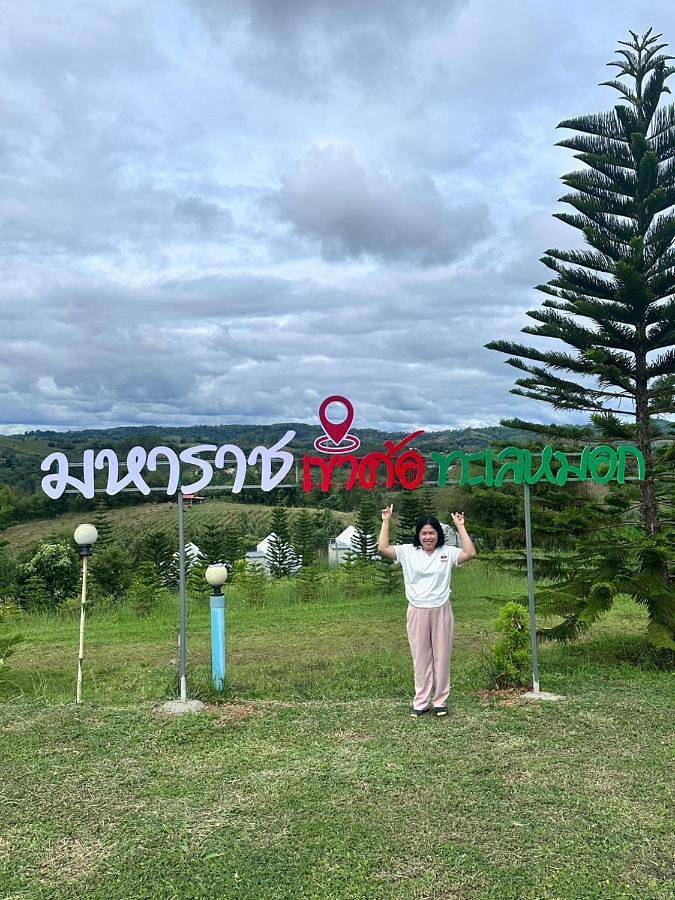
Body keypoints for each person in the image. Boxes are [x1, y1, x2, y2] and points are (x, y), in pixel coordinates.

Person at [378, 505, 476, 718]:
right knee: (420, 657)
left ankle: (440, 701)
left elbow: (470, 553)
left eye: (432, 533)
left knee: (442, 656)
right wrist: (386, 521)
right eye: (424, 533)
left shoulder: (446, 553)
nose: (428, 537)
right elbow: (383, 548)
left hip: (441, 609)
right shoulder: (407, 552)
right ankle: (421, 702)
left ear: (438, 535)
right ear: (418, 535)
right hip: (417, 610)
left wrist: (461, 526)